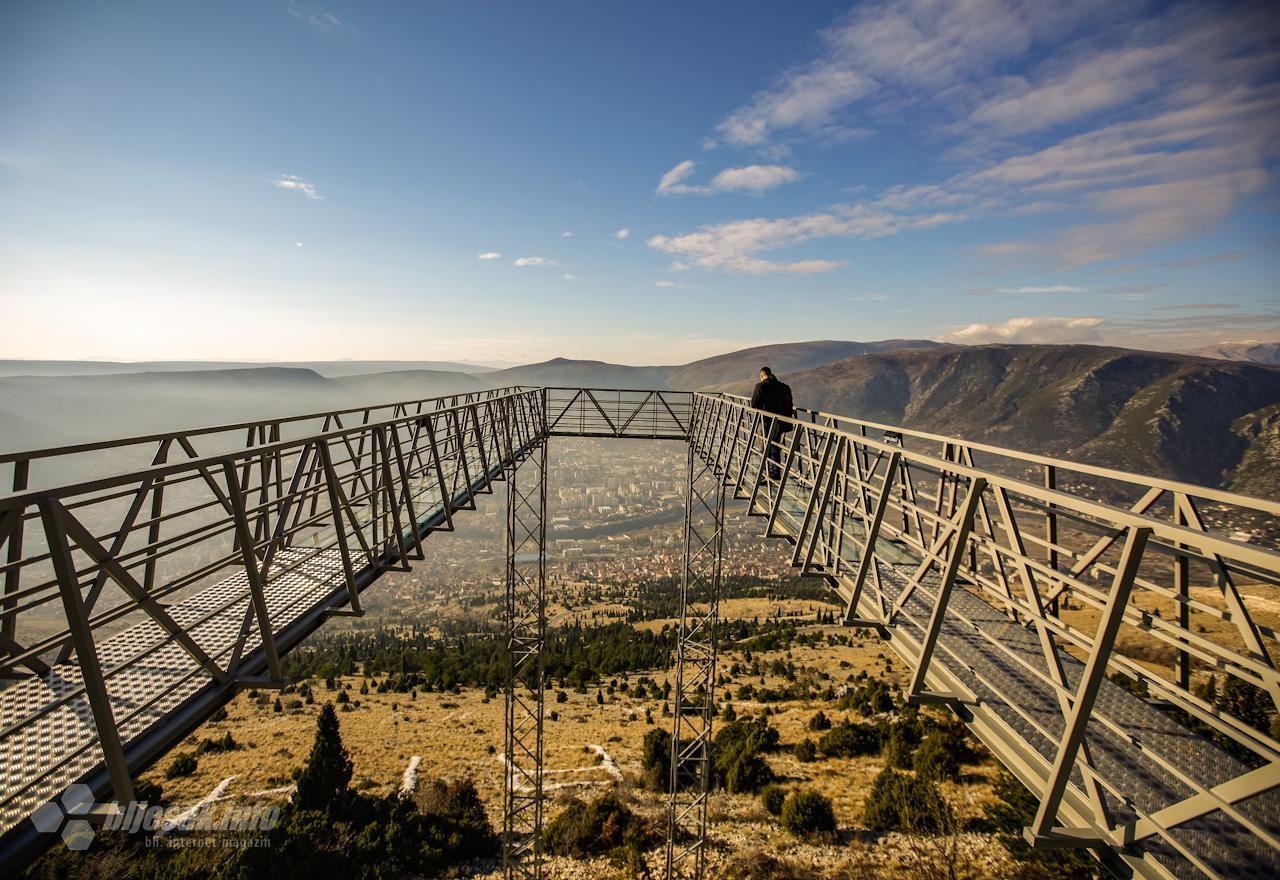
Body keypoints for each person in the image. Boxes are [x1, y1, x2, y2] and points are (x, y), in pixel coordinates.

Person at [749, 366, 794, 479]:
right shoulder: (784, 387)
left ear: (762, 376)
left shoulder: (760, 386)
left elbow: (754, 404)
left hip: (766, 421)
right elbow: (789, 404)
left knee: (764, 447)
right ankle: (775, 472)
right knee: (775, 445)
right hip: (781, 422)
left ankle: (766, 472)